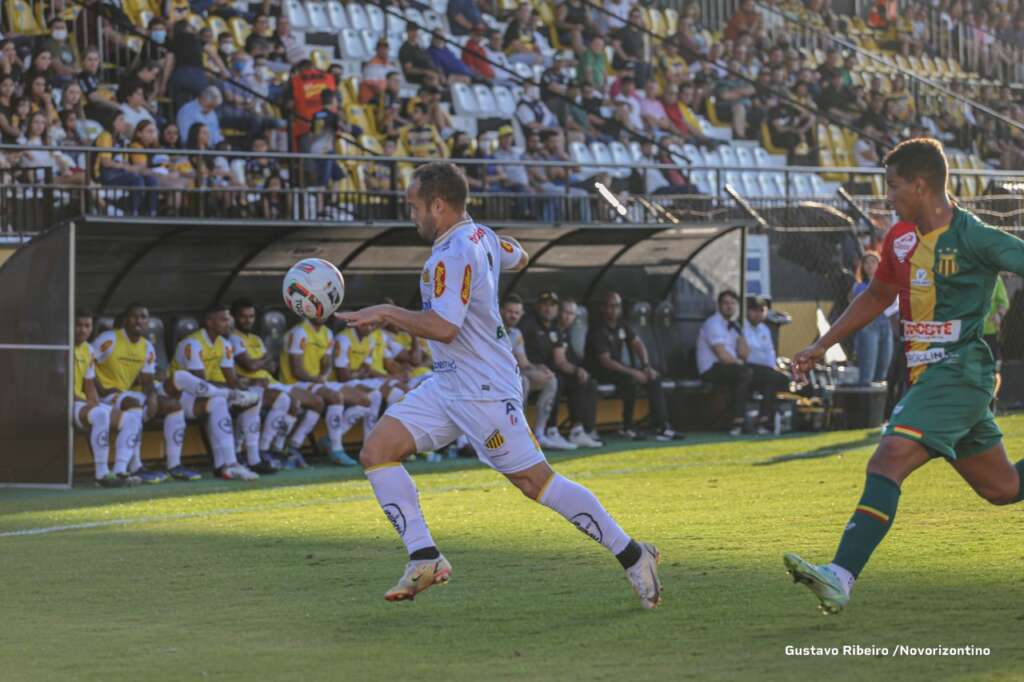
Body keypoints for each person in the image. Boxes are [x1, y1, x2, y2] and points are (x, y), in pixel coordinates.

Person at [337, 162, 662, 608]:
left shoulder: (451, 254)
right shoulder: (480, 235)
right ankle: (425, 556)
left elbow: (444, 327)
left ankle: (633, 554)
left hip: (484, 390)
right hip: (448, 384)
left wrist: (386, 312)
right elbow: (519, 255)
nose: (410, 215)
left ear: (438, 204)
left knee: (536, 483)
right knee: (377, 451)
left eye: (414, 207)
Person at [785, 138, 1024, 615]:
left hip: (959, 373)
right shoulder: (898, 238)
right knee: (1002, 489)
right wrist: (820, 344)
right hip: (930, 378)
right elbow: (876, 297)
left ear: (920, 186)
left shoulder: (974, 237)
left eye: (893, 186)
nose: (887, 195)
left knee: (887, 459)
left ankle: (840, 575)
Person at [169, 304, 264, 479]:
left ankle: (235, 462)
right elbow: (200, 384)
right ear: (210, 322)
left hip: (210, 395)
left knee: (250, 397)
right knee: (219, 401)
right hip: (180, 397)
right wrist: (230, 392)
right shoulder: (193, 343)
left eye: (229, 319)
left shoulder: (225, 344)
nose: (229, 323)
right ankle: (230, 462)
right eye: (224, 319)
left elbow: (232, 381)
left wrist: (244, 391)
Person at [585, 292, 680, 442]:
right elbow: (605, 361)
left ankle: (662, 427)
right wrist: (634, 372)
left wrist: (646, 366)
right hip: (599, 371)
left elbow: (637, 343)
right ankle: (627, 427)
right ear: (603, 308)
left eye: (616, 306)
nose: (613, 310)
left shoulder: (622, 325)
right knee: (629, 380)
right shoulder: (597, 328)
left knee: (653, 378)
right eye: (610, 306)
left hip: (617, 369)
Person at [73, 311, 144, 487]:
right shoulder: (63, 347)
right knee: (99, 414)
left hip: (81, 403)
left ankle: (120, 470)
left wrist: (94, 403)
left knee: (132, 419)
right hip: (62, 403)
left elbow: (89, 382)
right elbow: (57, 385)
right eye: (78, 325)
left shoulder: (89, 349)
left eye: (87, 325)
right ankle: (101, 474)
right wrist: (91, 407)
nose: (82, 330)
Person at [500, 293, 566, 450]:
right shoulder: (490, 330)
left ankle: (539, 434)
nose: (513, 316)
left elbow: (523, 363)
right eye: (510, 312)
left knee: (550, 380)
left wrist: (539, 368)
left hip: (510, 375)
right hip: (491, 377)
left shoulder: (516, 333)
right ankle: (517, 433)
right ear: (501, 311)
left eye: (517, 313)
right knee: (522, 381)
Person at [696, 290, 753, 435]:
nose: (729, 307)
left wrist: (740, 334)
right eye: (726, 303)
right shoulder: (713, 323)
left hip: (729, 367)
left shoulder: (734, 325)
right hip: (711, 368)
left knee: (767, 375)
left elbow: (745, 355)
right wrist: (740, 363)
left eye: (733, 303)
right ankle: (738, 421)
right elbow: (722, 355)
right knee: (744, 373)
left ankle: (765, 420)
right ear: (719, 306)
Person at [551, 298, 603, 447]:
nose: (568, 316)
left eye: (572, 314)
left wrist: (579, 370)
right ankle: (551, 430)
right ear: (559, 312)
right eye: (565, 312)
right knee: (564, 381)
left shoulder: (567, 332)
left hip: (561, 373)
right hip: (551, 373)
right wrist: (577, 370)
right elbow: (559, 362)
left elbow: (572, 358)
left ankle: (583, 430)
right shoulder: (553, 330)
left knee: (588, 382)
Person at [742, 296, 789, 434]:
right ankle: (764, 419)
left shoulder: (765, 329)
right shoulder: (742, 327)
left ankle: (765, 419)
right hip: (747, 368)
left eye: (761, 310)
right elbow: (747, 355)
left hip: (765, 371)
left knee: (778, 379)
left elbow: (769, 353)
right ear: (747, 311)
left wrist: (773, 367)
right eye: (754, 310)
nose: (758, 314)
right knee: (773, 378)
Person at [851, 251, 895, 385]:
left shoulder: (888, 283)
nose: (870, 266)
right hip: (868, 327)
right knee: (867, 375)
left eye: (873, 262)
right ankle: (864, 403)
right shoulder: (859, 287)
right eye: (866, 263)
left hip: (886, 327)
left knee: (882, 374)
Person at [983, 274, 1009, 405]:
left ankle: (991, 401)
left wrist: (999, 314)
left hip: (989, 333)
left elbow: (1003, 304)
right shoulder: (967, 275)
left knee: (993, 370)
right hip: (968, 333)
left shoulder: (996, 279)